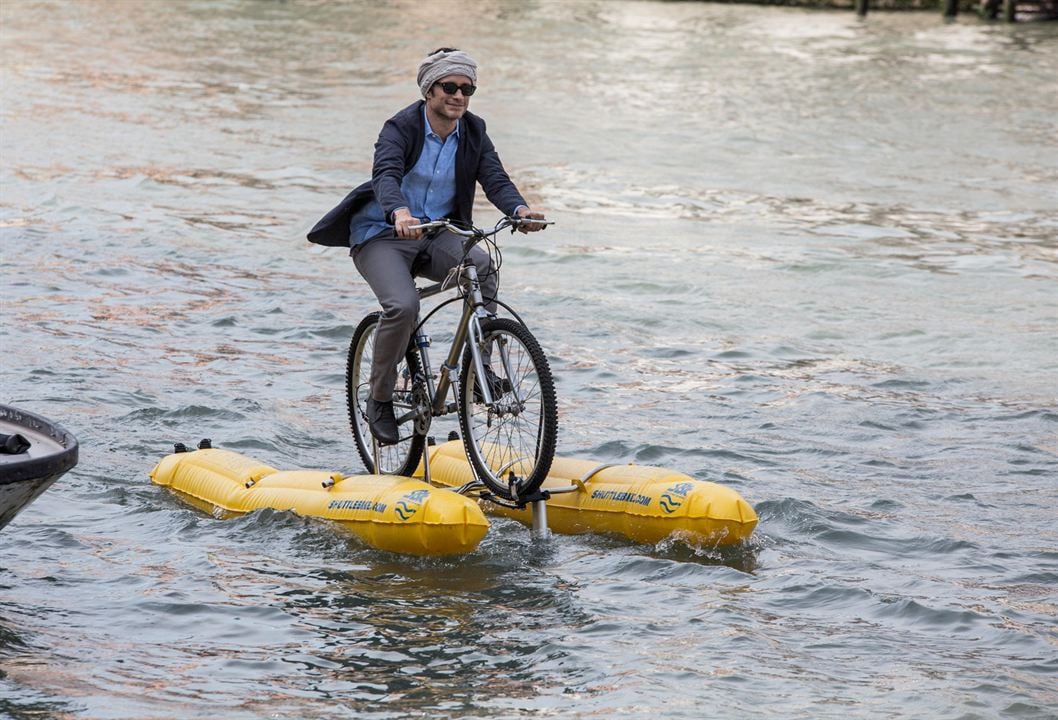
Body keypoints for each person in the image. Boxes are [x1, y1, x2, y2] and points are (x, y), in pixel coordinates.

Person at [307, 48, 545, 445]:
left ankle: (477, 372)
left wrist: (519, 209)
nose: (459, 96)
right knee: (403, 306)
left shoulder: (473, 130)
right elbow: (385, 174)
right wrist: (399, 211)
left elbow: (494, 177)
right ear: (428, 91)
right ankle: (379, 398)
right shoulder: (400, 128)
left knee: (483, 269)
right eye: (449, 87)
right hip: (382, 234)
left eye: (467, 89)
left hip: (438, 232)